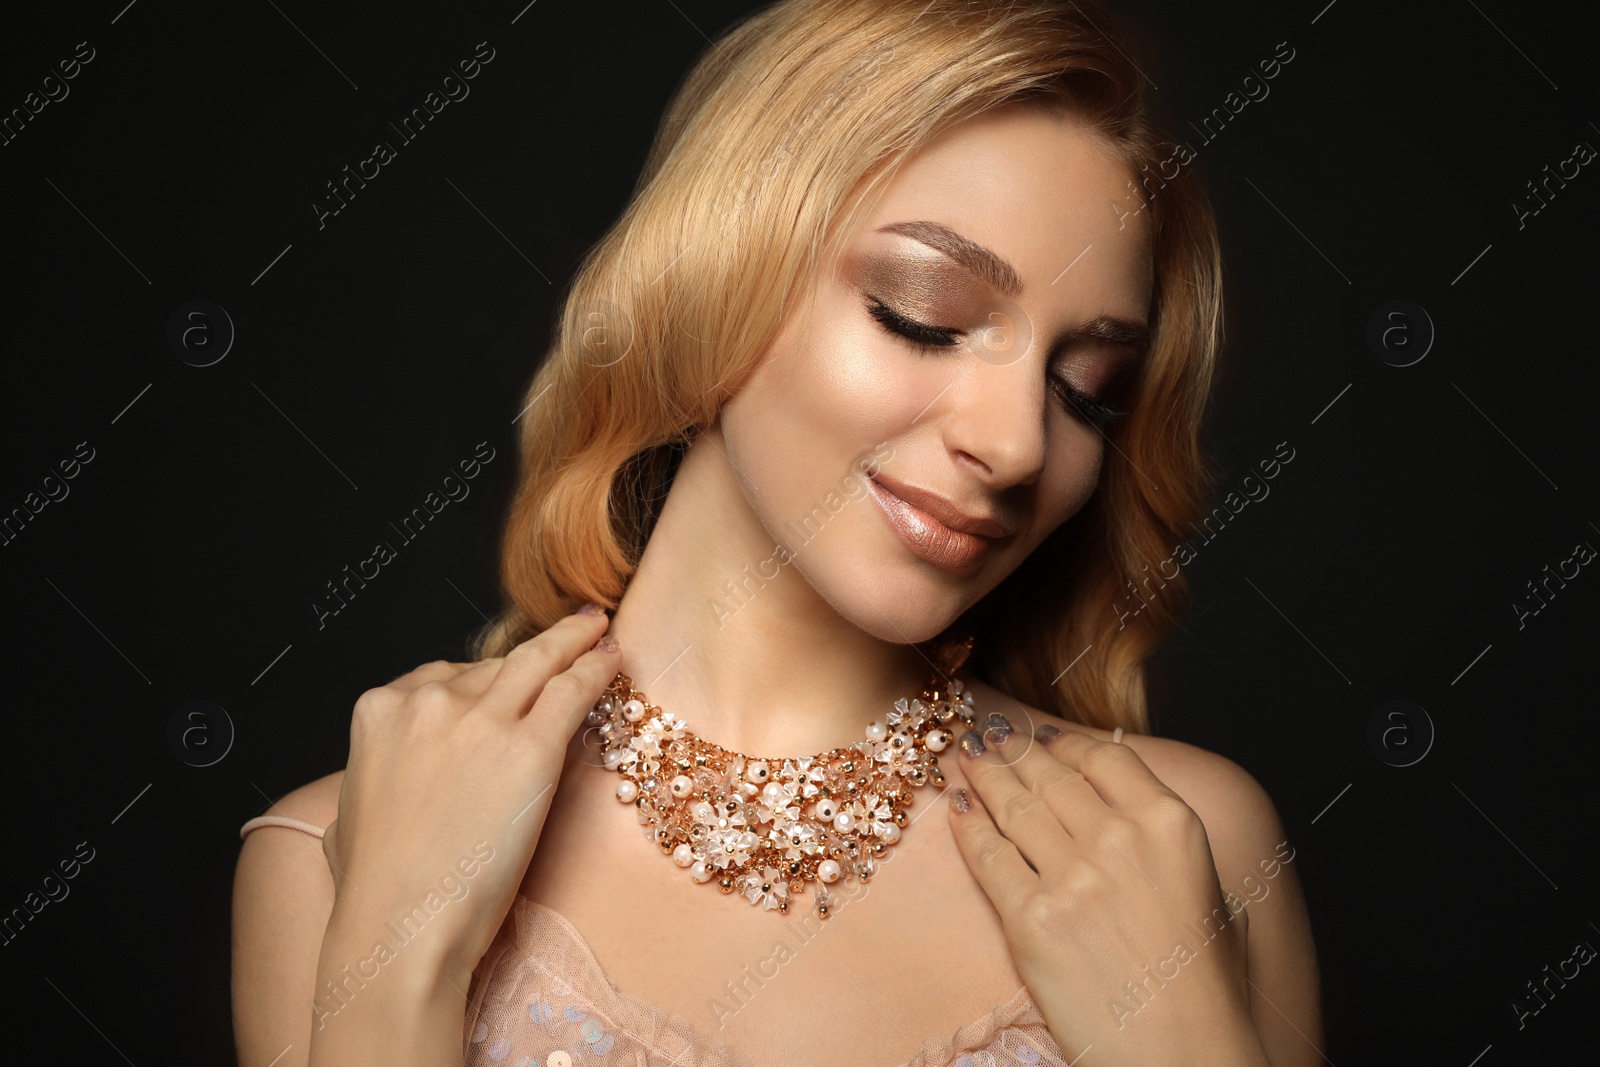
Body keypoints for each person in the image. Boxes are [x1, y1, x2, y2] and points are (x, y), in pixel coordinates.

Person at [233, 1, 1323, 1064]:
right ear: (716, 283)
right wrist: (395, 962)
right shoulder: (335, 857)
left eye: (1085, 390)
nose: (1019, 444)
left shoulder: (1191, 841)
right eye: (923, 316)